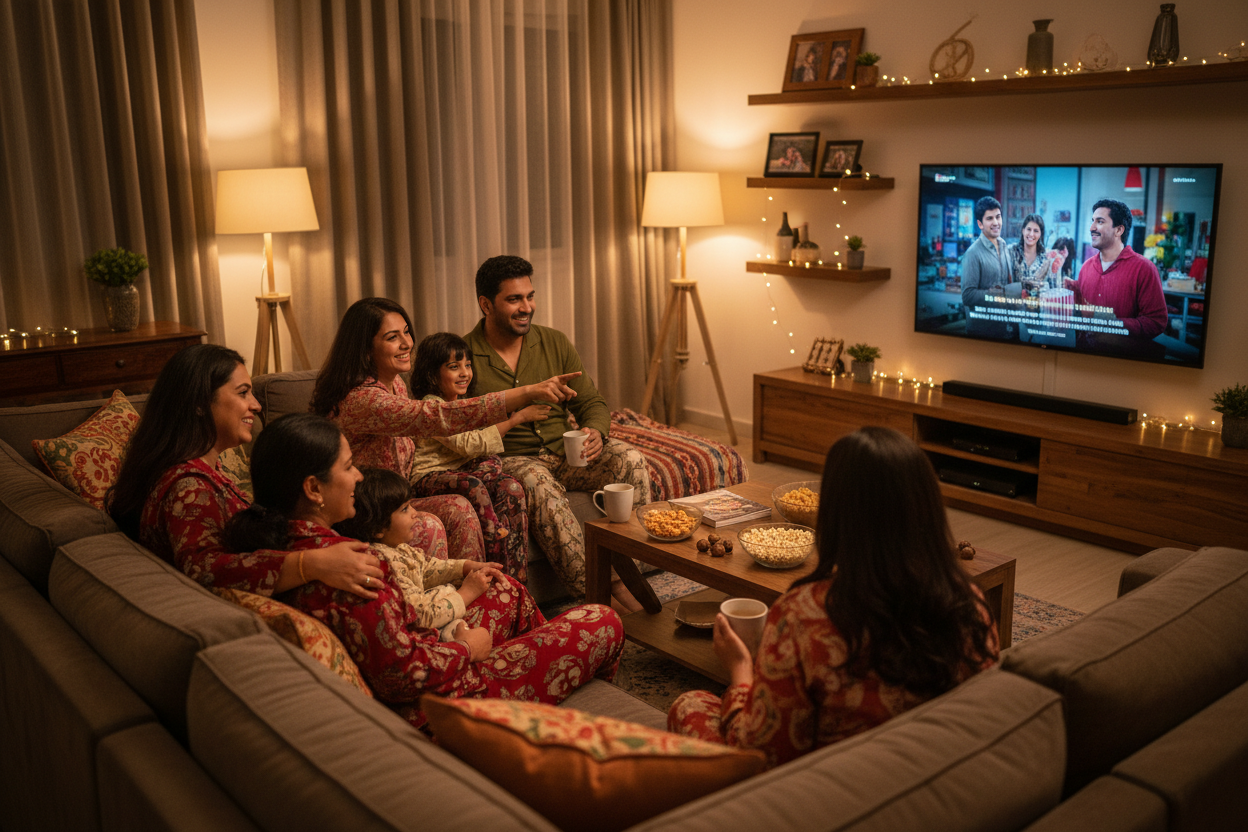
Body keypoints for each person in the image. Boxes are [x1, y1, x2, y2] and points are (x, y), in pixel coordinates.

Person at [224, 413, 624, 730]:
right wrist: (468, 649)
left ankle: (540, 687)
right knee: (603, 620)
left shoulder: (271, 550)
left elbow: (400, 622)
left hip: (433, 651)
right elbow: (401, 674)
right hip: (437, 703)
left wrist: (458, 615)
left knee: (505, 589)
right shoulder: (349, 567)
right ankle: (536, 709)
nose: (359, 476)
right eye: (348, 467)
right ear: (314, 489)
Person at [669, 427, 1000, 770]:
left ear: (835, 513)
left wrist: (741, 671)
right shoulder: (970, 604)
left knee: (690, 705)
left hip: (832, 787)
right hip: (936, 778)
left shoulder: (802, 614)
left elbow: (760, 753)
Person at [310, 297, 580, 564]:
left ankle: (506, 581)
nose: (407, 343)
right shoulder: (363, 399)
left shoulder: (397, 384)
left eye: (406, 332)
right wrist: (525, 393)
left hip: (399, 498)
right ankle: (474, 583)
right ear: (366, 349)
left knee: (509, 486)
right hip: (369, 507)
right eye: (392, 337)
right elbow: (437, 417)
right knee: (457, 509)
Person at [108, 344, 380, 598]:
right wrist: (312, 563)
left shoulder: (206, 471)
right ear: (200, 403)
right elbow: (205, 570)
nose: (256, 405)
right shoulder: (188, 485)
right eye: (242, 393)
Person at [464, 255, 650, 608]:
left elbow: (591, 401)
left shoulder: (554, 342)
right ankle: (595, 597)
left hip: (565, 453)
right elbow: (460, 425)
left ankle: (631, 577)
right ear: (486, 305)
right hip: (512, 459)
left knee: (630, 458)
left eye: (530, 296)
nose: (526, 307)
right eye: (514, 299)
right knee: (537, 482)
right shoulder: (464, 356)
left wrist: (595, 432)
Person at [407, 332, 542, 581]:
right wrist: (517, 419)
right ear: (432, 374)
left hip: (463, 470)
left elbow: (480, 446)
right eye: (454, 367)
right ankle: (493, 541)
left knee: (511, 486)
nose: (464, 373)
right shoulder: (432, 407)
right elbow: (470, 445)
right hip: (429, 477)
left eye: (467, 365)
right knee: (475, 484)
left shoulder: (462, 403)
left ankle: (515, 581)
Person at [334, 466, 511, 642]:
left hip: (442, 612)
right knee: (508, 595)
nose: (415, 513)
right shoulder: (383, 564)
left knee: (506, 587)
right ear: (378, 528)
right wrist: (467, 592)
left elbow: (427, 568)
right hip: (431, 634)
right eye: (405, 509)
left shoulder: (397, 548)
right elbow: (420, 616)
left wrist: (466, 567)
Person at [1064, 198, 1168, 357]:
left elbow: (1155, 322)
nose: (1092, 228)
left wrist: (1109, 323)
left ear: (1119, 230)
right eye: (1093, 221)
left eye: (1100, 222)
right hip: (1083, 359)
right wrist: (1073, 293)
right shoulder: (1085, 267)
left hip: (1123, 363)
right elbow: (1083, 316)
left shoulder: (1144, 269)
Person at [961, 195, 1021, 340]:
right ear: (980, 224)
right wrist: (995, 295)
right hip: (983, 333)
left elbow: (1006, 283)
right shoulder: (972, 253)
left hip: (1006, 328)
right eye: (989, 218)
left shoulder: (1004, 245)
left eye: (998, 217)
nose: (996, 222)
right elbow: (967, 296)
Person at [1007, 213, 1051, 297]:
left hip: (1039, 303)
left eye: (1036, 231)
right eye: (1029, 229)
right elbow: (1004, 283)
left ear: (1040, 234)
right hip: (1014, 302)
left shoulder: (1046, 257)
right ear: (1023, 230)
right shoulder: (1011, 252)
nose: (1031, 234)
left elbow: (1053, 289)